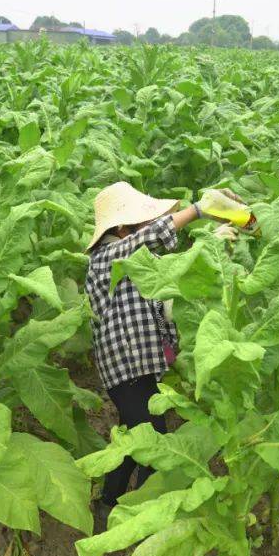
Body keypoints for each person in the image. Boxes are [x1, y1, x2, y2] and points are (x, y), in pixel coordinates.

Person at [85, 182, 244, 517]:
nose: (148, 227)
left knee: (136, 440)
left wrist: (210, 249)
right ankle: (143, 517)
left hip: (144, 368)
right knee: (156, 445)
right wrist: (199, 210)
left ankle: (108, 504)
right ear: (122, 229)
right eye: (141, 223)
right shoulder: (104, 259)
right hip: (124, 370)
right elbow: (142, 244)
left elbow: (172, 292)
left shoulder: (144, 262)